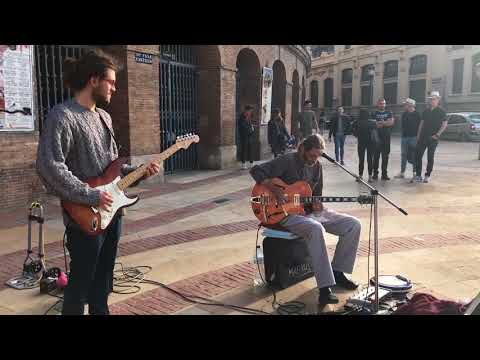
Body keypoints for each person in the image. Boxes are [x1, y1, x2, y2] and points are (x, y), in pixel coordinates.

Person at [36, 50, 161, 315]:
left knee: (103, 283)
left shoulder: (105, 118)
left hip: (112, 213)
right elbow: (49, 166)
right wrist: (90, 195)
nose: (115, 88)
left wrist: (140, 172)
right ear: (94, 80)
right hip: (85, 219)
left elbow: (113, 169)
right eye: (111, 82)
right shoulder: (63, 116)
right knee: (79, 285)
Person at [250, 134, 361, 305]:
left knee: (353, 225)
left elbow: (317, 195)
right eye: (312, 156)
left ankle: (338, 271)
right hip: (284, 214)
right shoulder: (287, 160)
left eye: (317, 156)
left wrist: (317, 203)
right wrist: (275, 189)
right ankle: (325, 288)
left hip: (307, 211)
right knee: (315, 229)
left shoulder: (317, 167)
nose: (314, 160)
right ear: (302, 149)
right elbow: (256, 170)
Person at [413, 91, 448, 183]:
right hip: (423, 137)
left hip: (433, 138)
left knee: (430, 157)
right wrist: (418, 135)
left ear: (438, 100)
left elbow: (444, 124)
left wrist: (437, 135)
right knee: (418, 155)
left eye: (434, 99)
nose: (432, 101)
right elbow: (421, 123)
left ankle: (427, 175)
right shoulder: (426, 111)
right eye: (431, 99)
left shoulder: (441, 111)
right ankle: (418, 175)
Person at [395, 98, 421, 180]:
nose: (404, 106)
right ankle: (402, 172)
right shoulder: (404, 114)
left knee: (413, 155)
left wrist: (417, 137)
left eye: (405, 104)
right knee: (403, 155)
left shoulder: (417, 114)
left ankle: (414, 173)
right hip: (404, 138)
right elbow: (402, 126)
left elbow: (420, 127)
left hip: (414, 138)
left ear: (410, 105)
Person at [372, 99, 395, 180]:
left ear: (385, 104)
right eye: (380, 104)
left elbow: (391, 123)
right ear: (377, 104)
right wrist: (385, 122)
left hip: (386, 138)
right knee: (376, 157)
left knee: (385, 157)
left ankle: (384, 174)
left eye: (383, 104)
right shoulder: (374, 113)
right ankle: (375, 174)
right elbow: (373, 124)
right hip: (376, 138)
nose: (382, 105)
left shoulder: (389, 113)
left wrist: (381, 123)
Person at [352, 108, 376, 182]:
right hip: (370, 143)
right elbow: (375, 131)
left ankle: (360, 176)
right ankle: (370, 177)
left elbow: (353, 130)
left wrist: (357, 135)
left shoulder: (357, 122)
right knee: (370, 160)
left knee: (361, 160)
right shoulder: (372, 122)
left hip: (361, 142)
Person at [238, 104, 256, 169]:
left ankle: (251, 163)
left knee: (250, 149)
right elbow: (242, 127)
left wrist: (252, 127)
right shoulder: (242, 117)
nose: (250, 112)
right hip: (244, 136)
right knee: (244, 149)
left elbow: (250, 124)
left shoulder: (249, 117)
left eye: (251, 111)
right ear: (246, 110)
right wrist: (250, 129)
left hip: (250, 135)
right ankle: (243, 163)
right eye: (250, 111)